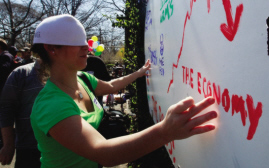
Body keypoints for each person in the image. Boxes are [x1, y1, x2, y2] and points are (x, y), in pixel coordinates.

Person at [30, 14, 218, 168]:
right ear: (51, 49)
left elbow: (112, 86)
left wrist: (139, 73)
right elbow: (104, 153)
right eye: (75, 41)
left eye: (84, 40)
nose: (86, 46)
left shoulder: (83, 79)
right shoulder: (51, 104)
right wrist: (165, 131)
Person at [0, 59, 46, 167]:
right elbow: (6, 108)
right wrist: (8, 144)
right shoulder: (21, 73)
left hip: (63, 150)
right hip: (29, 148)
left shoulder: (75, 75)